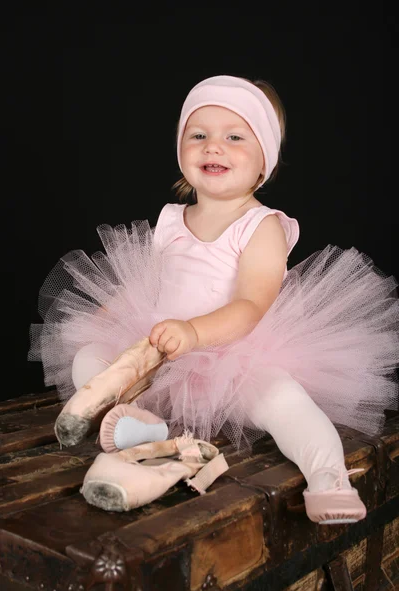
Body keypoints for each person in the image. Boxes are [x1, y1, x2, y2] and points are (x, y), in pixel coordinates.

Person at [29, 75, 399, 523]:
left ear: (265, 160)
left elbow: (251, 305)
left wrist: (195, 332)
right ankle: (141, 424)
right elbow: (148, 279)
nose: (213, 147)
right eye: (198, 134)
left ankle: (329, 476)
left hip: (234, 356)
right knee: (88, 355)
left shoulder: (261, 226)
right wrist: (111, 314)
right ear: (180, 147)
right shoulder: (170, 220)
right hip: (161, 352)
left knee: (284, 400)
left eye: (235, 137)